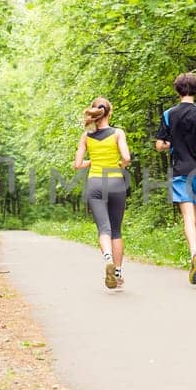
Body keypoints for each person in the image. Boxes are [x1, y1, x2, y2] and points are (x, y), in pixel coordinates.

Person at [154, 72, 196, 285]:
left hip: (180, 170)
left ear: (177, 90)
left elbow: (159, 145)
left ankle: (193, 254)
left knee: (188, 217)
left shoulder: (168, 114)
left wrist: (171, 145)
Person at [74, 96, 131, 289]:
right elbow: (126, 158)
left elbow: (77, 165)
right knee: (116, 230)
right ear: (109, 112)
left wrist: (93, 161)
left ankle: (108, 259)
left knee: (103, 229)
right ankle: (117, 272)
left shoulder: (86, 137)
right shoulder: (118, 133)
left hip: (95, 184)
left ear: (95, 114)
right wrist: (119, 164)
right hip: (115, 181)